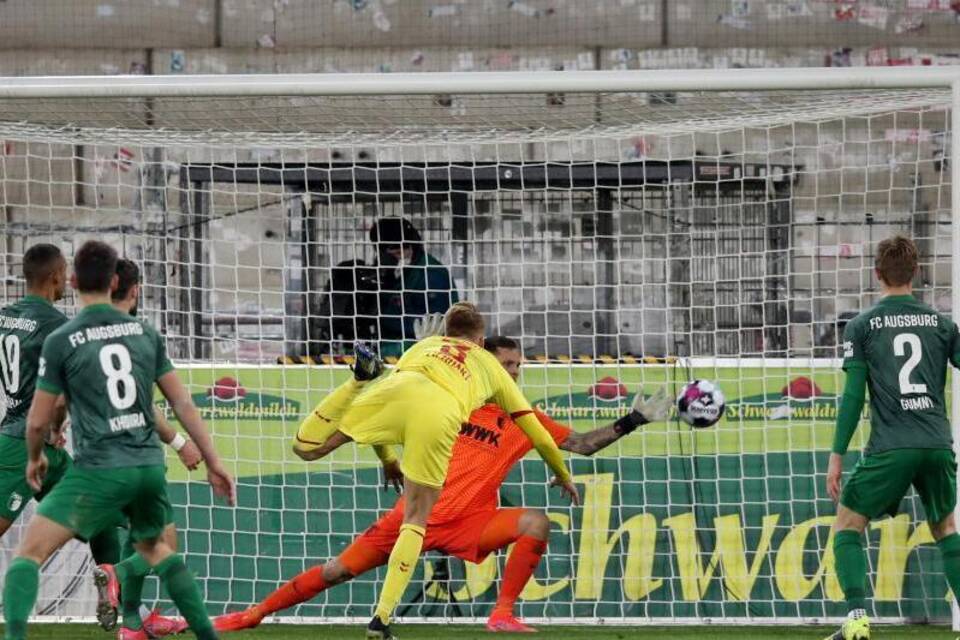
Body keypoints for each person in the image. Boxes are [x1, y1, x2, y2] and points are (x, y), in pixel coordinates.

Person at [214, 334, 670, 634]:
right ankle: (253, 614)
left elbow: (582, 444)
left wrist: (634, 420)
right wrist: (388, 458)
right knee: (336, 571)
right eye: (505, 364)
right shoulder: (448, 398)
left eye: (517, 365)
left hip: (468, 521)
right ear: (485, 365)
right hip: (414, 514)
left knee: (535, 522)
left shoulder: (522, 419)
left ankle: (502, 613)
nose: (513, 372)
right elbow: (385, 411)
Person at [288, 302, 577, 639]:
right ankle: (380, 620)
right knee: (416, 519)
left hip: (396, 389)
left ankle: (356, 379)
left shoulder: (424, 346)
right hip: (436, 414)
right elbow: (539, 436)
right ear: (480, 341)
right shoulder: (490, 366)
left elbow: (379, 425)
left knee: (308, 448)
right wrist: (563, 473)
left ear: (447, 332)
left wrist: (387, 461)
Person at [1, 240, 235, 640]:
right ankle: (135, 610)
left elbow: (48, 411)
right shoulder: (134, 333)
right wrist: (190, 448)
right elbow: (175, 402)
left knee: (46, 548)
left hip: (62, 453)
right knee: (155, 543)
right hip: (139, 461)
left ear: (73, 280)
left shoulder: (18, 320)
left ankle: (127, 613)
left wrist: (46, 440)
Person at [825, 235, 960, 640]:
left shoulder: (862, 326)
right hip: (937, 443)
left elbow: (853, 396)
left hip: (891, 445)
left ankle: (857, 621)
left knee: (847, 525)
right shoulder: (942, 324)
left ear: (876, 274)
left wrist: (836, 456)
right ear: (915, 274)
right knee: (946, 528)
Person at [93, 258, 204, 639]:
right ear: (135, 290)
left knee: (133, 535)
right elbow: (147, 402)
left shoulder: (82, 334)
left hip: (95, 456)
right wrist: (180, 441)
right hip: (135, 456)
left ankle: (132, 624)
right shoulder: (139, 335)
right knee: (165, 543)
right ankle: (116, 574)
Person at [0, 244, 123, 564]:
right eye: (65, 269)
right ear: (56, 276)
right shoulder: (57, 326)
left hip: (30, 442)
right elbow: (65, 393)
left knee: (101, 516)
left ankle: (117, 601)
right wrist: (57, 426)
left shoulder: (4, 318)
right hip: (23, 442)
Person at [370, 217, 458, 358]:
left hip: (421, 350)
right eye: (394, 253)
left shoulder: (430, 274)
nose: (401, 256)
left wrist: (382, 316)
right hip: (397, 346)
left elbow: (434, 325)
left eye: (402, 250)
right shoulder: (400, 272)